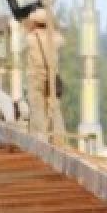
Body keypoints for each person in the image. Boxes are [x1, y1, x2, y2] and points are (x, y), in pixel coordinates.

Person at [23, 8, 66, 145]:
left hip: (35, 78)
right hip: (52, 78)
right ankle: (59, 139)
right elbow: (61, 39)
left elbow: (21, 42)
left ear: (34, 22)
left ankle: (40, 140)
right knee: (54, 108)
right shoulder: (56, 38)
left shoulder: (30, 38)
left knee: (37, 110)